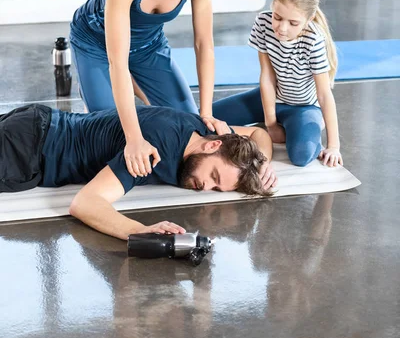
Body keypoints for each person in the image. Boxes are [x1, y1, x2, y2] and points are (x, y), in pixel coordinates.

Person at [70, 0, 224, 181]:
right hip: (97, 45)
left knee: (190, 126)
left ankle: (138, 84)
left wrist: (207, 111)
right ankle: (101, 91)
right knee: (110, 132)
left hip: (148, 47)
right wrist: (134, 139)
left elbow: (205, 45)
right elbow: (117, 61)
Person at [0, 103, 277, 240]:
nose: (206, 186)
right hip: (31, 151)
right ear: (212, 147)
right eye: (214, 177)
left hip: (38, 121)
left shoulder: (207, 133)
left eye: (216, 189)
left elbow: (256, 132)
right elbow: (85, 203)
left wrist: (263, 162)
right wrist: (141, 230)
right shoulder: (154, 149)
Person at [213, 0, 342, 168]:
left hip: (303, 107)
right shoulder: (263, 23)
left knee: (301, 156)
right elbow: (267, 76)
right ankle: (268, 126)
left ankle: (313, 125)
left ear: (309, 19)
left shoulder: (314, 41)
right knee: (207, 118)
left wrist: (334, 145)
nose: (282, 28)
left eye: (293, 23)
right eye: (278, 17)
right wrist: (271, 124)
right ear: (273, 5)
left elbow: (323, 95)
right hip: (270, 98)